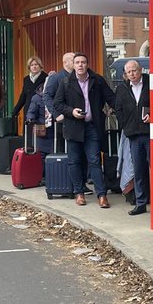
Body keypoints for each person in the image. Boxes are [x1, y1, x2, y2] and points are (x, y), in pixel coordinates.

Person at [54, 52, 116, 208]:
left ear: (87, 64)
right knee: (74, 161)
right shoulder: (66, 82)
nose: (80, 65)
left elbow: (111, 98)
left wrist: (120, 109)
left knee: (94, 160)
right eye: (77, 62)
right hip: (74, 127)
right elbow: (58, 104)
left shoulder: (97, 80)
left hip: (92, 127)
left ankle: (101, 195)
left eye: (83, 62)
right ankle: (79, 192)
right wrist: (71, 112)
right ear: (73, 65)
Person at [114, 59, 152, 216]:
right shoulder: (122, 88)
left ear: (140, 70)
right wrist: (126, 126)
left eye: (134, 70)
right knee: (138, 169)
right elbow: (118, 109)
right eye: (128, 72)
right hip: (134, 136)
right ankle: (141, 202)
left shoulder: (151, 83)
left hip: (151, 133)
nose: (132, 74)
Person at [25, 75, 54, 155]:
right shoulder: (37, 98)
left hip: (56, 131)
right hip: (42, 130)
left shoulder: (58, 97)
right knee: (41, 155)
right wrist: (30, 119)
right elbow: (31, 112)